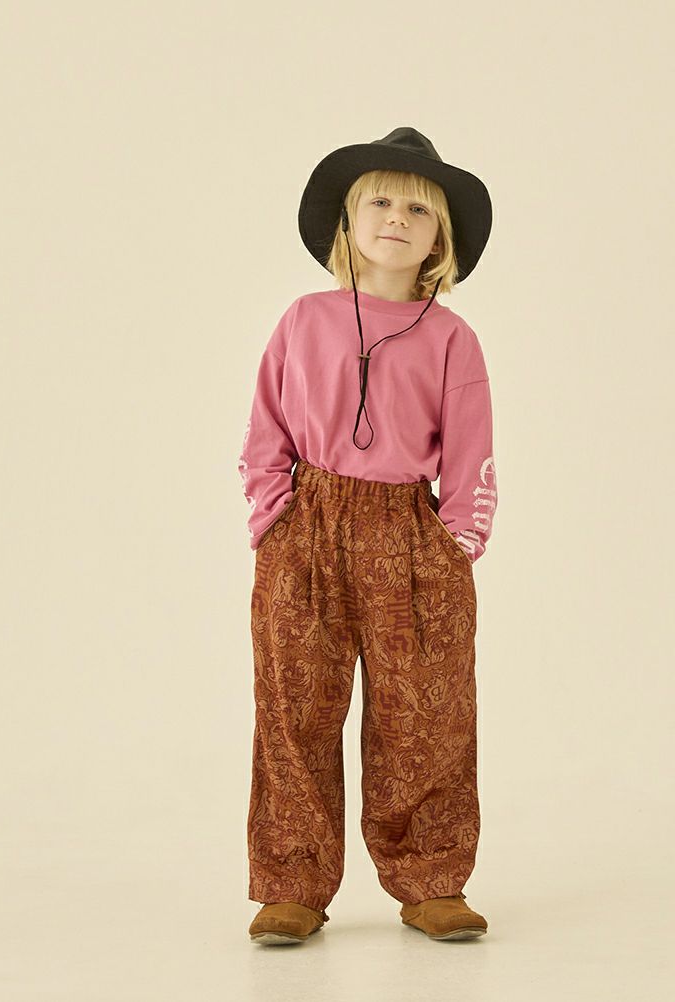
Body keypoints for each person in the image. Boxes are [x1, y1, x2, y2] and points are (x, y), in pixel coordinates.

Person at [238, 126, 498, 945]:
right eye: (380, 201)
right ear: (348, 224)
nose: (397, 218)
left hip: (411, 533)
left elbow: (472, 453)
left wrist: (456, 544)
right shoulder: (304, 319)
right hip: (308, 527)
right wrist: (273, 517)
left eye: (418, 209)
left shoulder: (452, 337)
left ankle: (432, 880)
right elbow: (266, 428)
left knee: (426, 711)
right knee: (296, 709)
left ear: (439, 238)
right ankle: (292, 883)